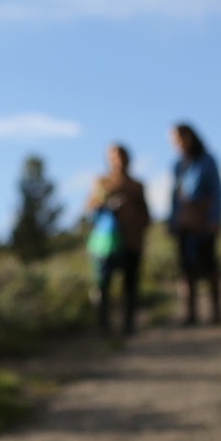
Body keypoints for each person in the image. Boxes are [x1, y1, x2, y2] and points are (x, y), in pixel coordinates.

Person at [86, 143, 151, 336]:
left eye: (121, 155)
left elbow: (146, 214)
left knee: (130, 286)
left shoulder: (136, 186)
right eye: (113, 156)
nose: (118, 160)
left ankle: (128, 325)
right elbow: (90, 210)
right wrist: (105, 205)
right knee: (103, 284)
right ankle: (103, 325)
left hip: (131, 242)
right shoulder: (101, 183)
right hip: (106, 244)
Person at [168, 123, 221, 325]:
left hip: (203, 222)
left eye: (179, 138)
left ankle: (216, 312)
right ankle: (190, 313)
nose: (176, 143)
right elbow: (174, 197)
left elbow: (217, 192)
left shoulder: (207, 161)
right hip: (184, 223)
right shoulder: (178, 165)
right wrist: (172, 221)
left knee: (209, 267)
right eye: (173, 140)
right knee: (186, 268)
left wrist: (214, 219)